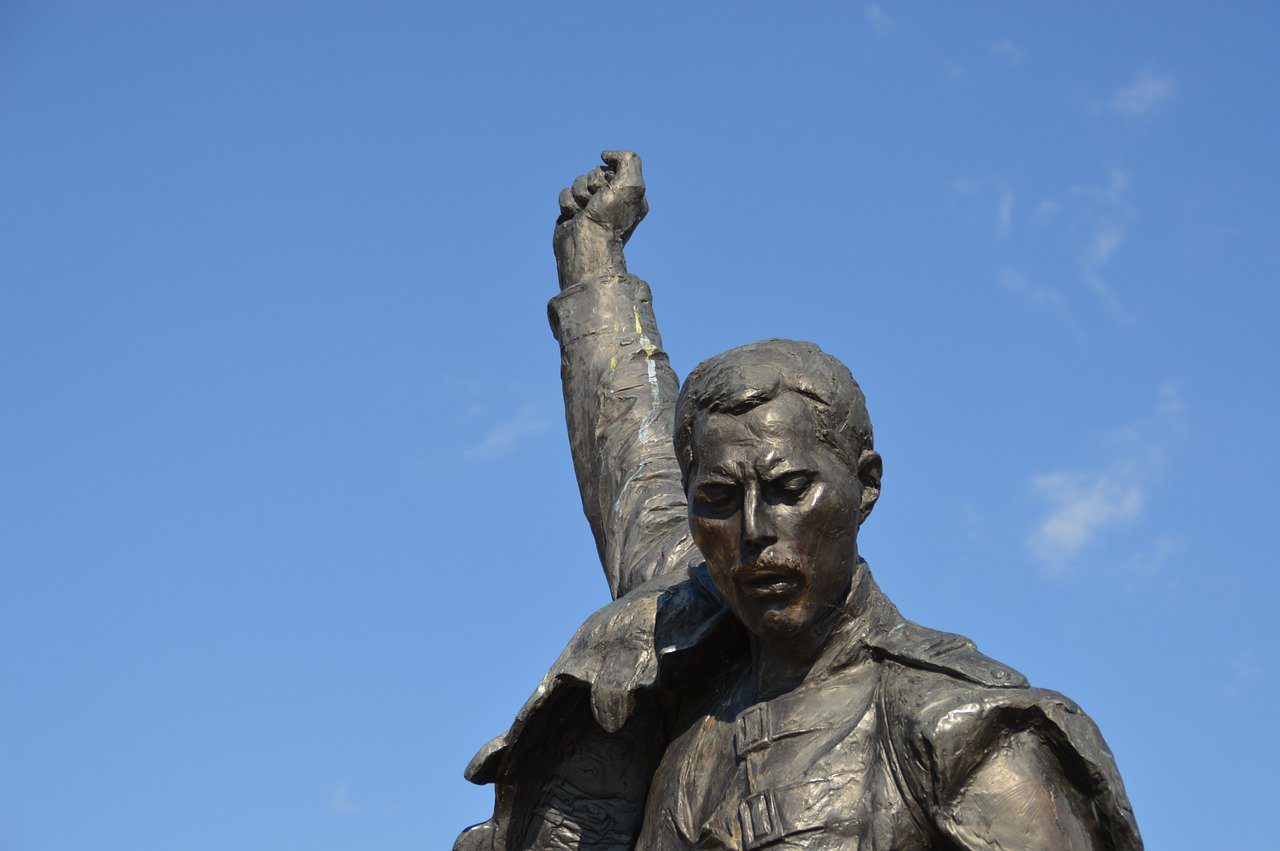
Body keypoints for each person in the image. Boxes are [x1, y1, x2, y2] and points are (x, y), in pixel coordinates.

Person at [455, 151, 1142, 850]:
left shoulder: (962, 732)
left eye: (789, 490)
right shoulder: (685, 651)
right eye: (718, 499)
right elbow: (628, 454)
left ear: (866, 484)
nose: (753, 531)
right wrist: (591, 260)